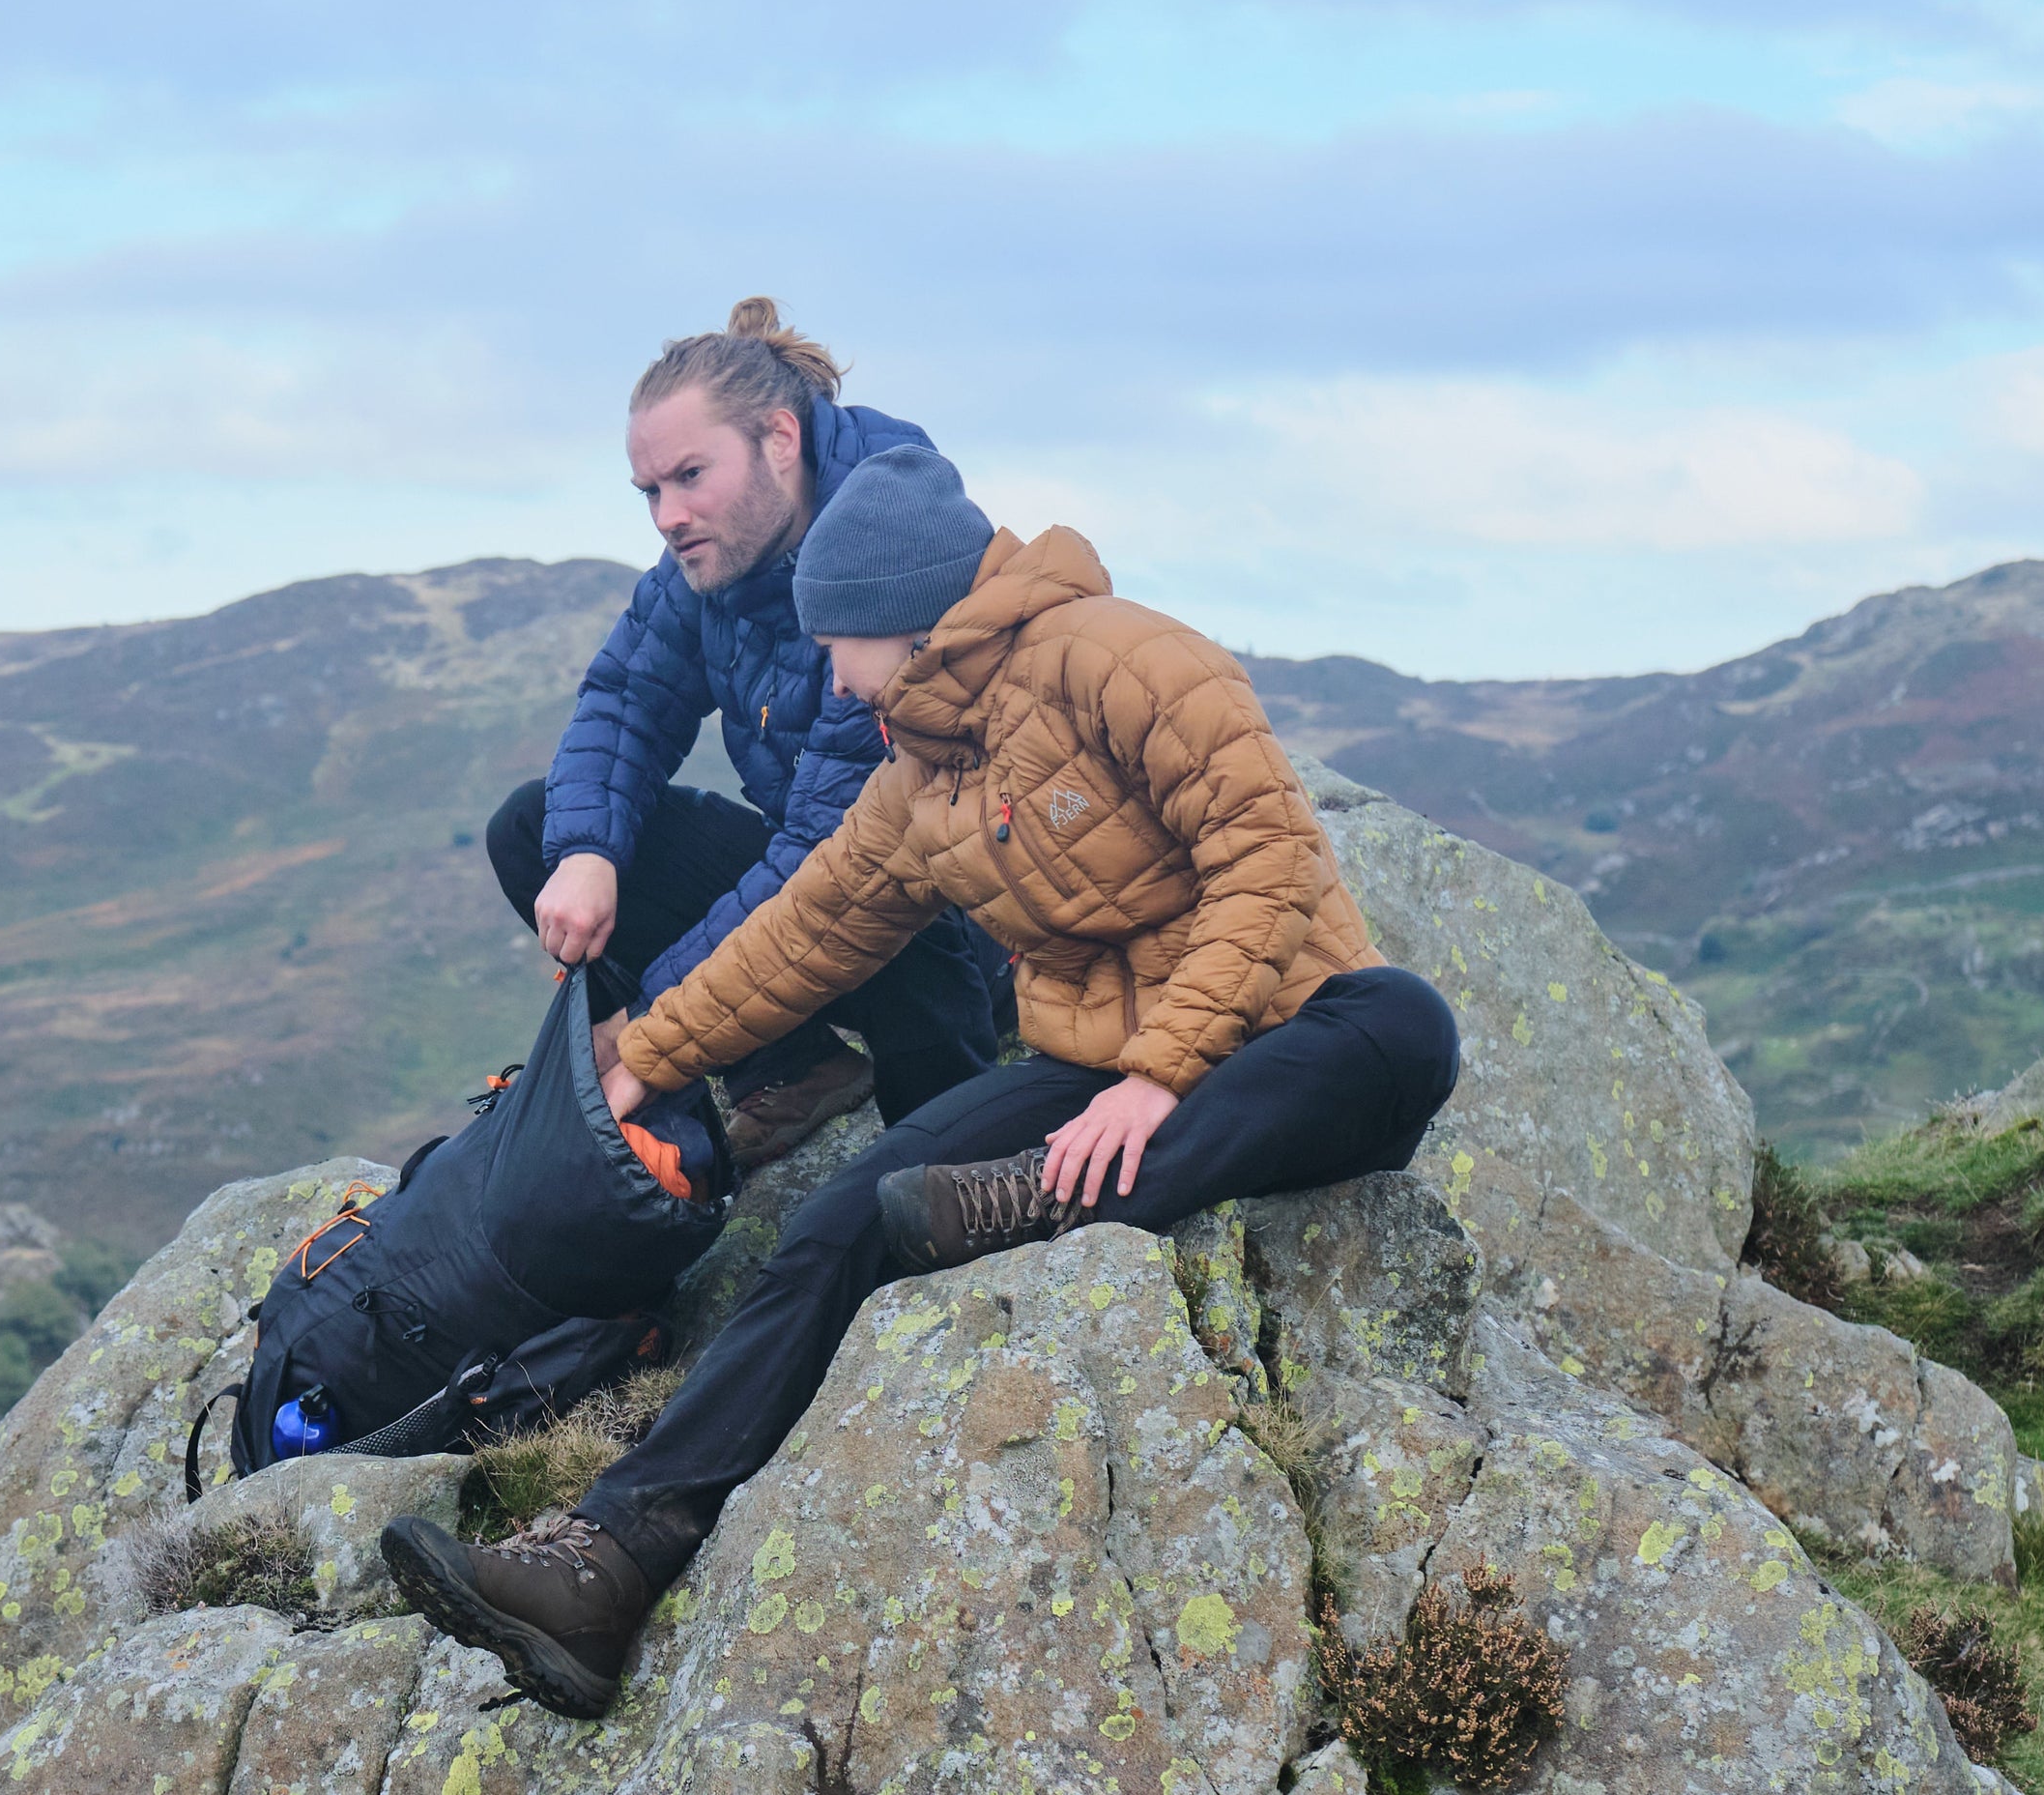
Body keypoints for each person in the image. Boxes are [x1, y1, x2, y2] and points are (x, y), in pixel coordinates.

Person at [385, 447, 1462, 1721]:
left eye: (844, 642)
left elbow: (1269, 856)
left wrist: (1163, 1074)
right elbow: (803, 935)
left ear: (916, 617)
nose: (835, 674)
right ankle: (606, 1557)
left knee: (1406, 1017)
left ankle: (1065, 1195)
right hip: (1088, 1072)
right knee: (853, 1209)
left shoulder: (1125, 655)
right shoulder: (922, 774)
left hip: (1290, 1039)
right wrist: (643, 1064)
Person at [491, 300, 1009, 1165]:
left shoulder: (889, 557)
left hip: (936, 914)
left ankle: (944, 1144)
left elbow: (831, 856)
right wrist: (588, 851)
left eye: (690, 475)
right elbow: (625, 701)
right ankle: (795, 1071)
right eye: (651, 490)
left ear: (779, 438)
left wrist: (649, 1024)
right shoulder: (714, 557)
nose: (666, 514)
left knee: (903, 903)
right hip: (811, 889)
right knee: (530, 826)